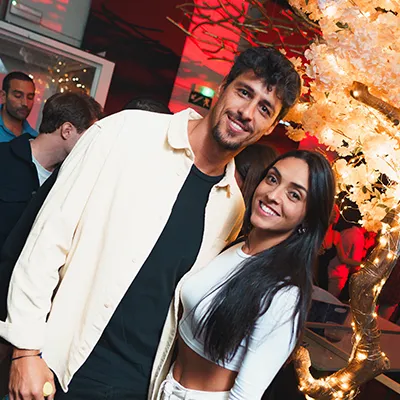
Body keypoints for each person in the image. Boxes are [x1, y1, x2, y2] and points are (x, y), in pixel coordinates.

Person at [0, 46, 301, 400]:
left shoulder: (232, 205)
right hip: (59, 370)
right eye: (244, 92)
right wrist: (25, 350)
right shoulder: (126, 133)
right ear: (222, 88)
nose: (247, 113)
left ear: (270, 128)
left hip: (141, 387)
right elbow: (48, 239)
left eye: (264, 109)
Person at [156, 150, 336, 399]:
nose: (273, 195)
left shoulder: (284, 293)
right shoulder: (234, 246)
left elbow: (246, 395)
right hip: (165, 385)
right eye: (273, 179)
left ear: (308, 217)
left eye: (294, 195)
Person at [0, 92, 103, 254]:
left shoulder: (70, 179)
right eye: (88, 137)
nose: (91, 145)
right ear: (67, 130)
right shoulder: (4, 158)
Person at [0, 72, 37, 142]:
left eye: (30, 97)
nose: (25, 103)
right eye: (18, 96)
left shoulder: (33, 138)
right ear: (3, 96)